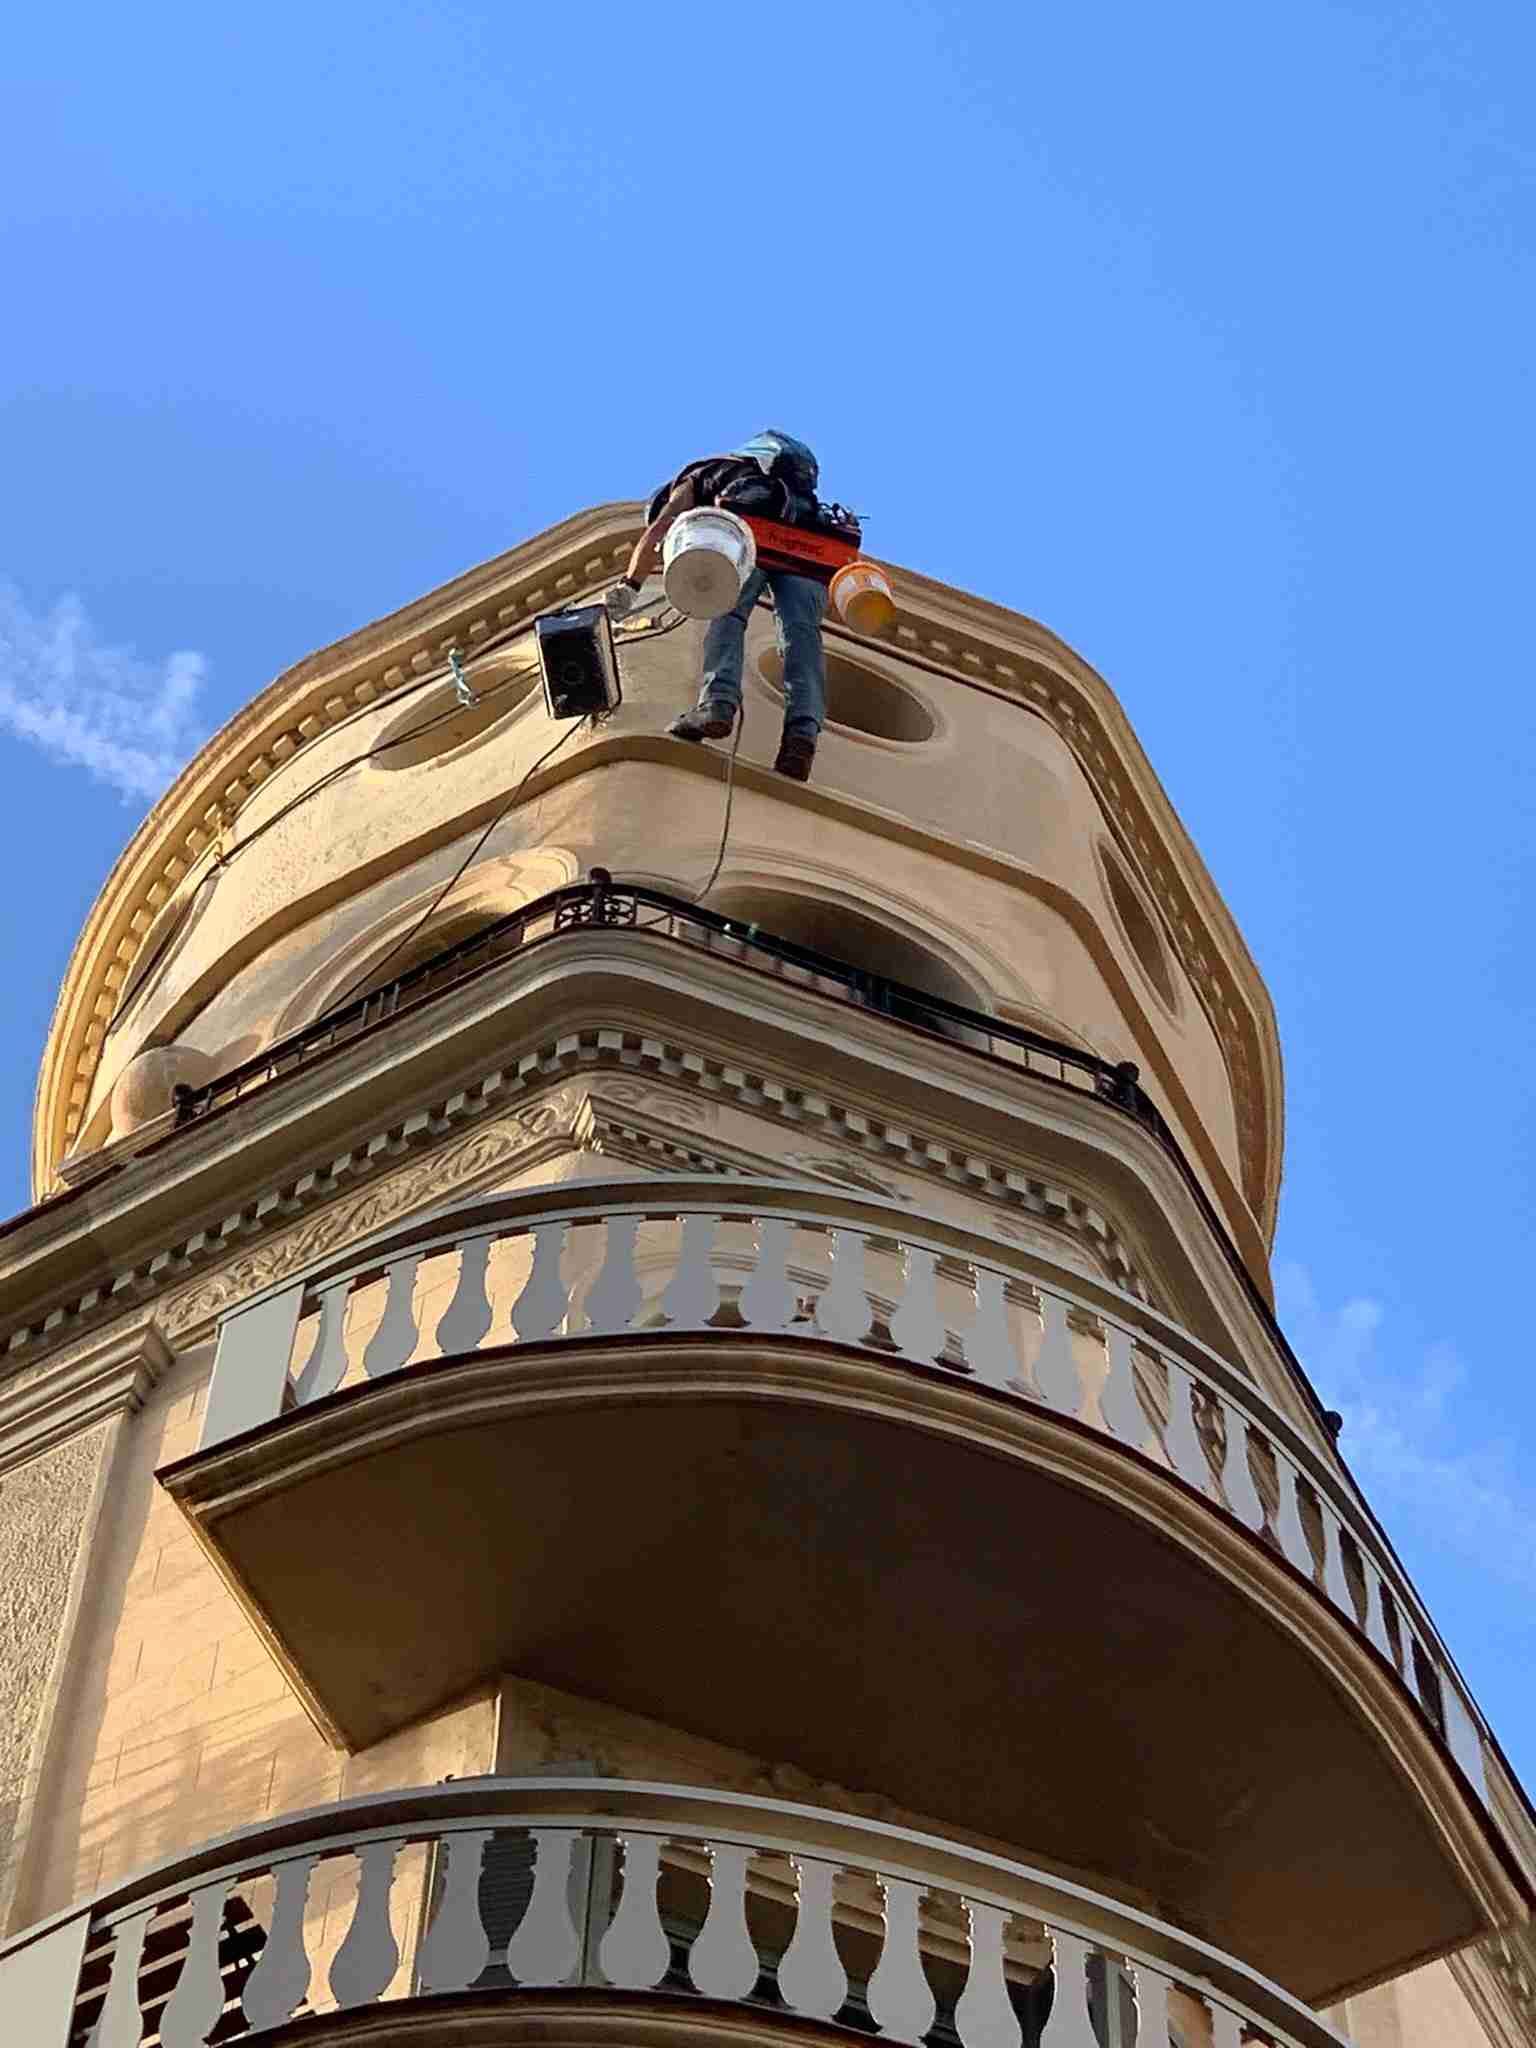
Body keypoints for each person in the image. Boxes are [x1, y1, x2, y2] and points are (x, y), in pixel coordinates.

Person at [608, 431, 829, 782]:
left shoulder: (698, 477)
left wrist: (629, 585)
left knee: (726, 610)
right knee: (802, 636)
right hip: (810, 546)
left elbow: (661, 527)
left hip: (749, 533)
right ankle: (801, 738)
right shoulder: (778, 479)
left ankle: (717, 705)